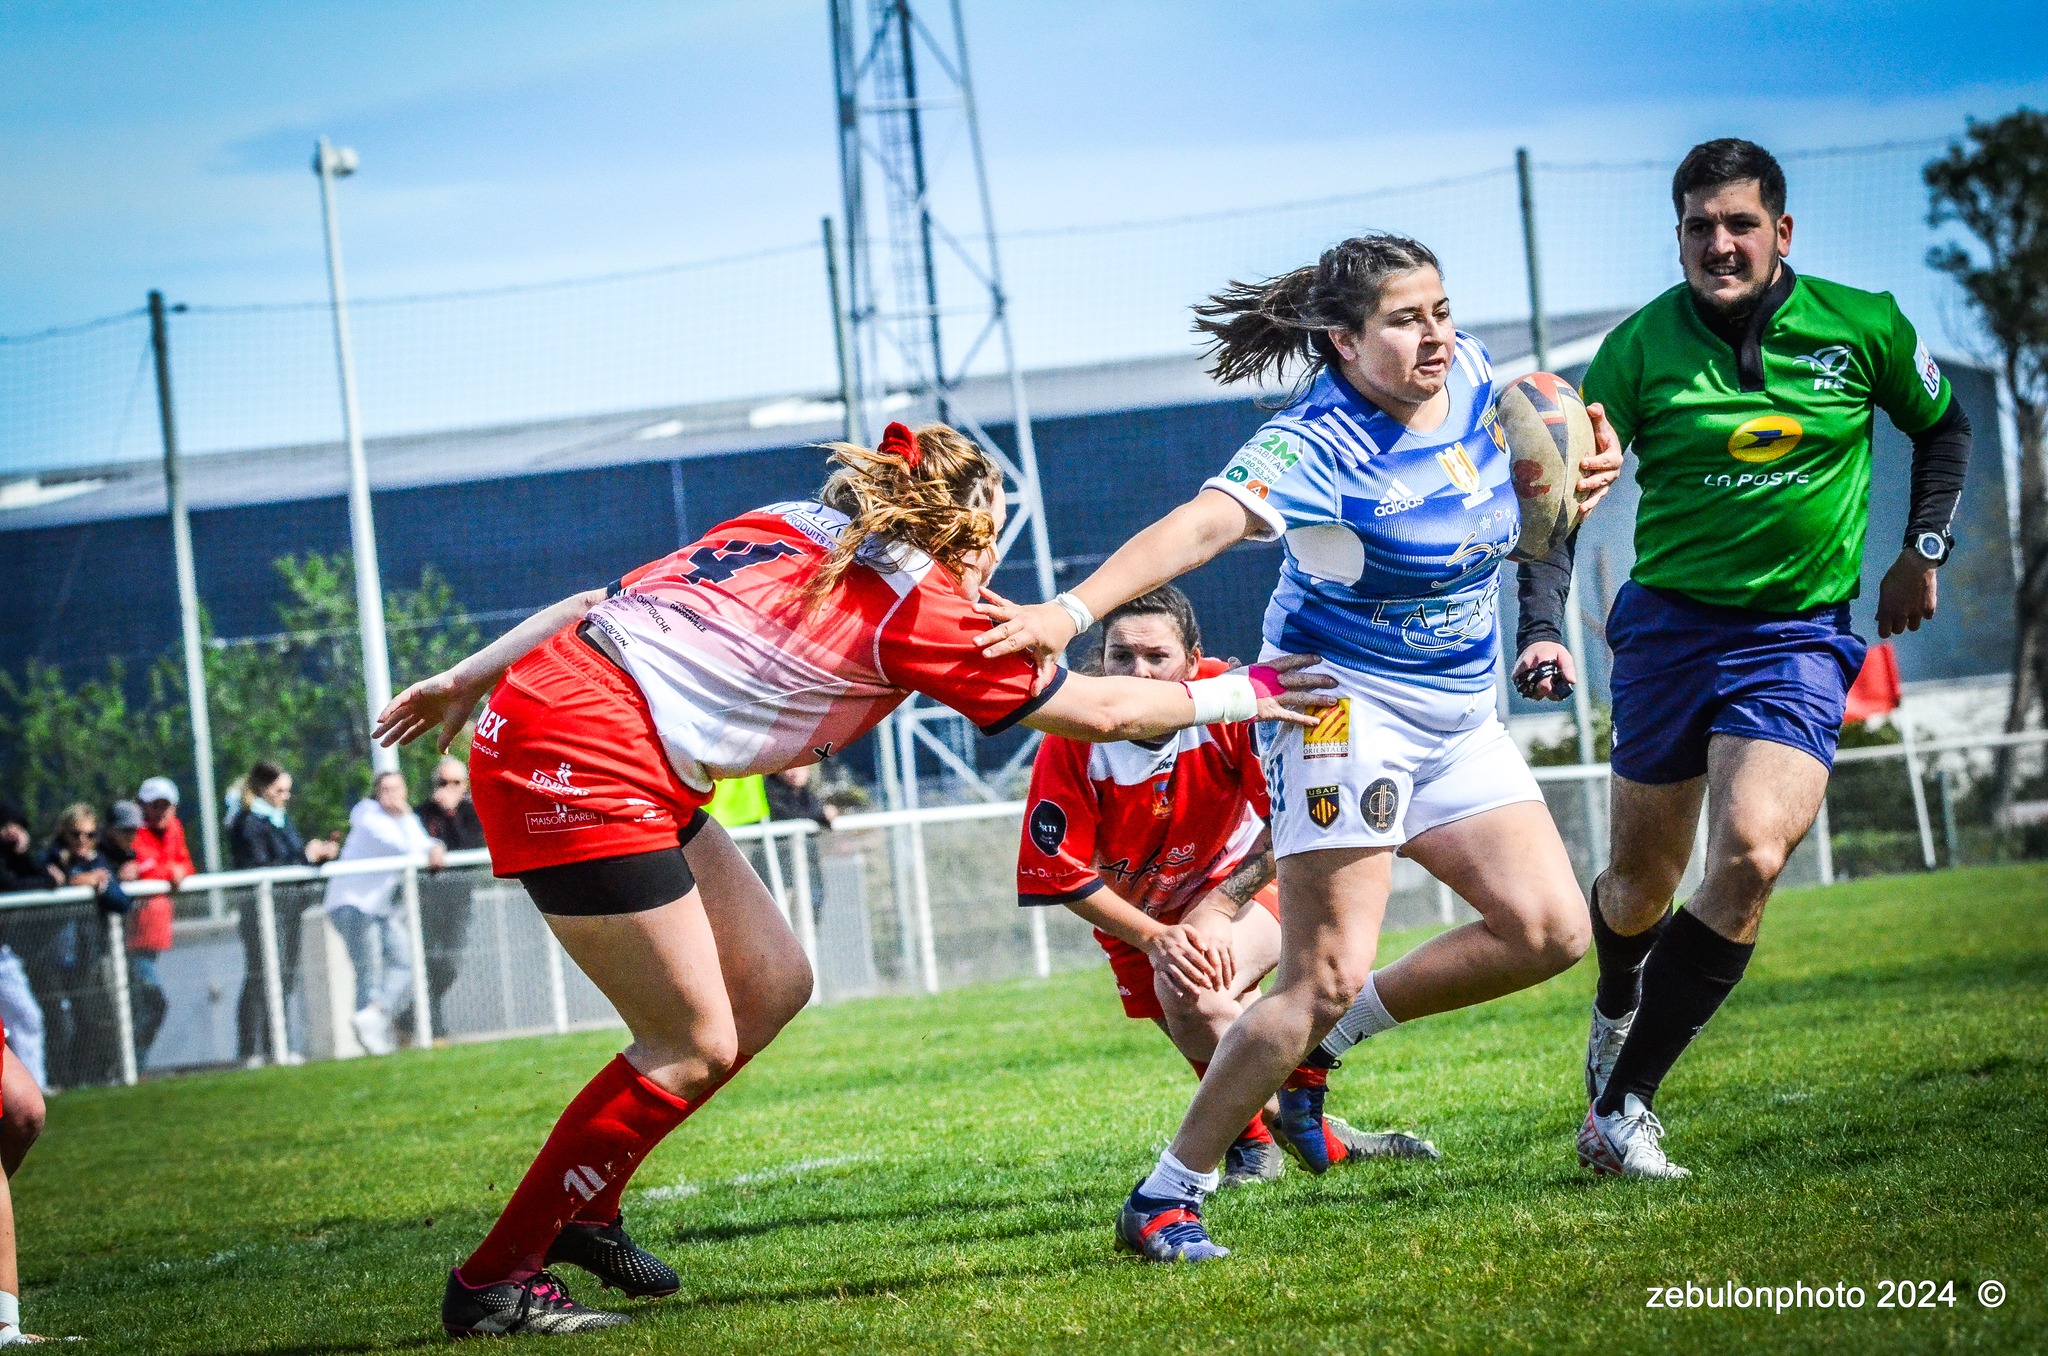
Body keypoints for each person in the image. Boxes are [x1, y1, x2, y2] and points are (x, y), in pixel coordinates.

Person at [374, 419, 1332, 1336]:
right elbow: (1103, 713)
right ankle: (495, 1284)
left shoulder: (793, 520)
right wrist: (1245, 689)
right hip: (583, 754)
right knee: (692, 1041)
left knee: (772, 983)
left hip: (589, 723)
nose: (995, 560)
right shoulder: (920, 605)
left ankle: (585, 1207)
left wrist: (467, 675)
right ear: (967, 532)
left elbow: (596, 604)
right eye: (994, 535)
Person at [976, 234, 1624, 1262]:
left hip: (1461, 709)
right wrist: (1068, 611)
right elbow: (1198, 526)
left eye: (1440, 310)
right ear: (1342, 339)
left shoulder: (1470, 374)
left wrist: (1579, 464)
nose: (1435, 335)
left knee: (1548, 931)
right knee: (1318, 975)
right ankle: (1166, 1196)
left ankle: (1317, 1056)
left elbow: (1541, 495)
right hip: (1340, 705)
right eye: (1404, 320)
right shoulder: (1314, 442)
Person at [1516, 140, 1974, 1180]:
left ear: (1781, 231)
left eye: (1739, 224)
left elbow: (1945, 428)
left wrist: (1922, 550)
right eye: (1698, 227)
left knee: (1752, 855)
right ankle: (1616, 1001)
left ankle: (1622, 1105)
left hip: (1796, 635)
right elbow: (1557, 497)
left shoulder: (1865, 325)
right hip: (1668, 632)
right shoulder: (1637, 349)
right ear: (1677, 235)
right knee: (1639, 884)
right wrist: (1541, 624)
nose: (1718, 245)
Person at [1019, 586, 1437, 1189]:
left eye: (1157, 657)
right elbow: (1058, 871)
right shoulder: (1074, 736)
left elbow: (1286, 818)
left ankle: (1258, 1146)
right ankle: (1304, 1133)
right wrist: (1156, 937)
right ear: (1100, 662)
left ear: (1193, 661)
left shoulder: (1232, 697)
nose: (1138, 673)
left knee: (1186, 988)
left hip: (1240, 883)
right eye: (1121, 656)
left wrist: (1218, 906)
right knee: (1214, 1020)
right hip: (1141, 921)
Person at [323, 771, 444, 1057]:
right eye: (385, 790)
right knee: (369, 971)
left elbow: (423, 843)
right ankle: (368, 1042)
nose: (392, 795)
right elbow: (408, 848)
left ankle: (374, 1016)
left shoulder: (403, 819)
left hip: (378, 908)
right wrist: (416, 829)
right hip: (352, 905)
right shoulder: (368, 816)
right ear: (377, 794)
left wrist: (436, 846)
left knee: (406, 962)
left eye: (397, 789)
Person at [227, 760, 340, 1066]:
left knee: (285, 978)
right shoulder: (248, 823)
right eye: (279, 790)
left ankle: (277, 1045)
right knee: (260, 977)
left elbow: (291, 858)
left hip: (287, 912)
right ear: (263, 789)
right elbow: (261, 866)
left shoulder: (280, 818)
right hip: (261, 913)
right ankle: (251, 1050)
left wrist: (318, 855)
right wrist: (304, 856)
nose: (285, 796)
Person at [36, 804, 132, 1089]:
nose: (82, 841)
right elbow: (39, 880)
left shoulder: (97, 861)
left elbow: (122, 902)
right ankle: (57, 1079)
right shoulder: (49, 859)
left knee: (89, 1018)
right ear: (64, 833)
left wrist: (101, 882)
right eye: (75, 834)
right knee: (58, 1021)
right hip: (51, 956)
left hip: (85, 954)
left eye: (89, 835)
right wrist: (70, 879)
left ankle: (85, 1077)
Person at [126, 778, 195, 1062]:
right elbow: (142, 869)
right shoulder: (133, 831)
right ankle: (130, 1065)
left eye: (166, 806)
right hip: (130, 938)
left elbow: (186, 866)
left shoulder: (173, 829)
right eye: (155, 805)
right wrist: (170, 871)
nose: (161, 812)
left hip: (153, 937)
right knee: (152, 1003)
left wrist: (175, 870)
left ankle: (134, 1066)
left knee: (147, 1006)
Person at [415, 756, 485, 1037]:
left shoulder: (471, 813)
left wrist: (452, 814)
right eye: (443, 782)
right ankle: (433, 1028)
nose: (449, 788)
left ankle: (413, 1019)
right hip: (426, 902)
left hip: (458, 902)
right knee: (427, 964)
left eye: (456, 783)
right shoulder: (422, 813)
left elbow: (471, 846)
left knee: (450, 963)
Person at [0, 807, 49, 1093]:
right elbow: (8, 886)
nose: (11, 832)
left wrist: (21, 853)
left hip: (2, 955)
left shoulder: (13, 858)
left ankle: (33, 1089)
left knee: (27, 1018)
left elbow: (46, 878)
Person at [764, 765, 837, 830]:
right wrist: (821, 814)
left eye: (801, 768)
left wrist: (825, 812)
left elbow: (814, 808)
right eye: (789, 768)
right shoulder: (770, 792)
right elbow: (789, 816)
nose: (795, 773)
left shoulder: (805, 793)